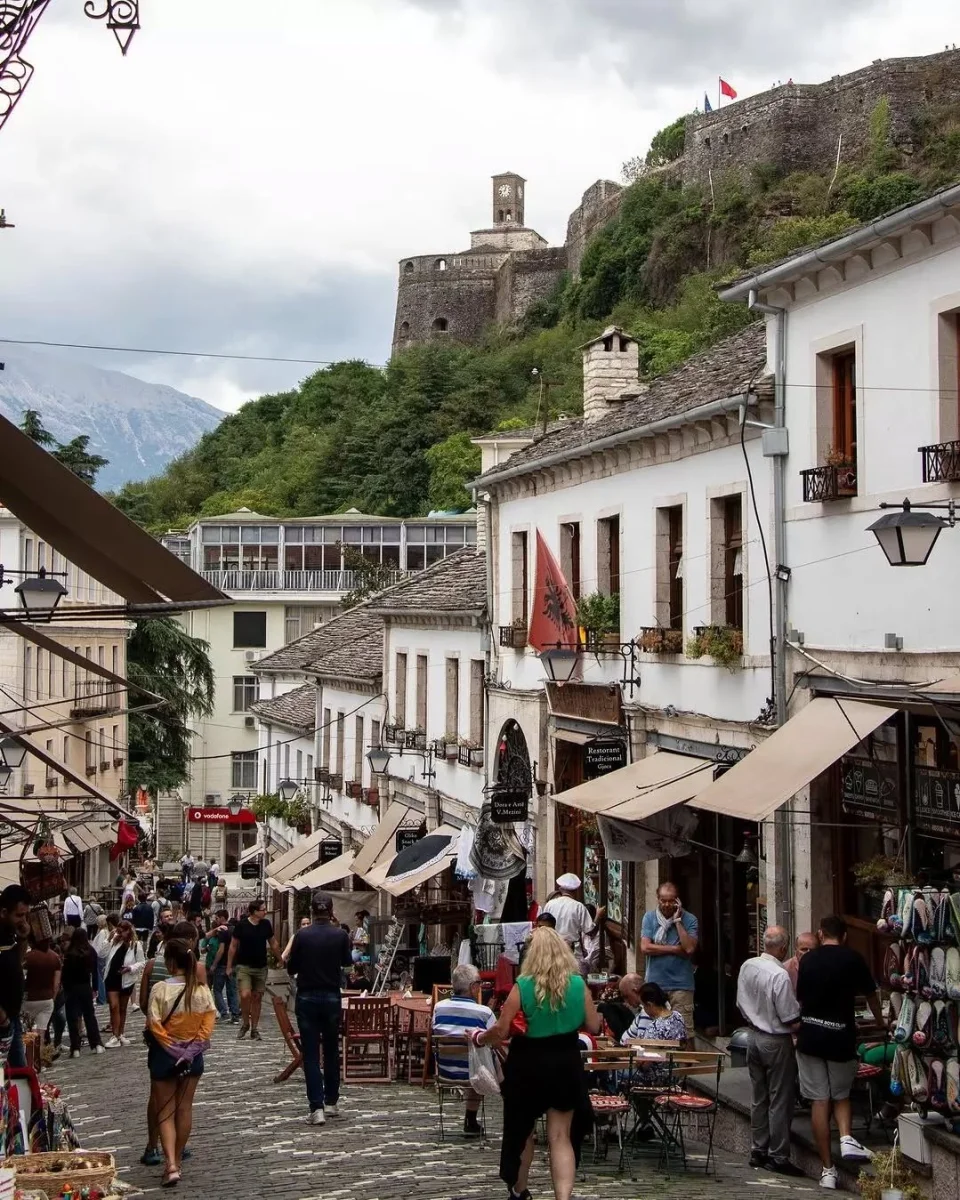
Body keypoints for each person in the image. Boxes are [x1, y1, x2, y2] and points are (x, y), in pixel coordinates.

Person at [474, 927, 602, 1200]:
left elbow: (502, 1030)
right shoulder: (579, 985)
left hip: (527, 1063)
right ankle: (563, 1198)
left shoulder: (523, 987)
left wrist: (479, 1037)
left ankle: (520, 1191)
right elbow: (594, 1025)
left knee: (524, 1133)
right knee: (560, 1136)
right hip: (565, 1062)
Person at [796, 915, 883, 1190]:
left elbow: (801, 997)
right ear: (844, 936)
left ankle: (827, 1170)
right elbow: (871, 994)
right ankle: (846, 1138)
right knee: (841, 1094)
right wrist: (880, 1021)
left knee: (819, 1101)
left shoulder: (807, 960)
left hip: (810, 1036)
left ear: (821, 935)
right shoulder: (852, 959)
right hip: (840, 1035)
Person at [146, 938, 215, 1186]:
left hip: (165, 1057)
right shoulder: (202, 990)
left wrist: (172, 1048)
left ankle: (171, 1165)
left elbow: (153, 1024)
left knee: (165, 1112)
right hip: (192, 1057)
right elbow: (208, 1026)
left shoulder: (161, 989)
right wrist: (190, 1049)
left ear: (171, 962)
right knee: (185, 1108)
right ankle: (177, 1160)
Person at [736, 926, 804, 1177]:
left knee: (760, 1095)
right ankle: (777, 1155)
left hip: (752, 1035)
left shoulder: (747, 965)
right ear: (784, 948)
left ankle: (758, 1149)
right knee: (780, 1098)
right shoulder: (779, 974)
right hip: (775, 1038)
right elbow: (789, 1017)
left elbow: (740, 1002)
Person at [287, 893, 352, 1124]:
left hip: (307, 997)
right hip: (332, 996)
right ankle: (332, 1101)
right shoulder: (341, 935)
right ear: (331, 910)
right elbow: (347, 962)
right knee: (332, 1050)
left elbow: (291, 966)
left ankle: (316, 1108)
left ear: (313, 911)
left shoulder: (302, 936)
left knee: (312, 1054)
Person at [432, 962, 495, 1137]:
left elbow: (434, 1031)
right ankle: (471, 1119)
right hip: (475, 1073)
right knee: (484, 1057)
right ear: (473, 987)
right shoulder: (485, 1012)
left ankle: (471, 1121)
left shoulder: (439, 1008)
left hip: (446, 1070)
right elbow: (494, 1039)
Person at [639, 881, 698, 1038]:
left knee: (685, 1034)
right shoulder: (650, 918)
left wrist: (678, 921)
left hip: (681, 986)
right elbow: (645, 948)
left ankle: (688, 1063)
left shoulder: (689, 919)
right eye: (663, 900)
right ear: (657, 899)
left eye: (671, 900)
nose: (666, 904)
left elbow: (689, 948)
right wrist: (675, 949)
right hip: (656, 984)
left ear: (678, 901)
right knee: (655, 1032)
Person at [227, 899, 281, 1041]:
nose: (265, 911)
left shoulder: (266, 925)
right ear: (255, 911)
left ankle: (254, 1028)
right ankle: (245, 1023)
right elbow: (233, 946)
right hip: (244, 966)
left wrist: (280, 959)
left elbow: (273, 942)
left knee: (257, 998)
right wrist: (229, 965)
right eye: (263, 909)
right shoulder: (241, 925)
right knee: (245, 995)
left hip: (261, 966)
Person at [61, 927, 105, 1058]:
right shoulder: (91, 951)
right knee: (89, 1015)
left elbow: (65, 974)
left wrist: (65, 987)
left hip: (71, 987)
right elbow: (95, 973)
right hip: (86, 986)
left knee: (72, 1017)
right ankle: (96, 1043)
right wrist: (95, 988)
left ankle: (75, 1048)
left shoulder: (69, 952)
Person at [0, 885, 31, 1067]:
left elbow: (16, 964)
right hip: (3, 1021)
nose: (23, 920)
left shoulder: (9, 933)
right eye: (19, 915)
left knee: (19, 1076)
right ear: (4, 912)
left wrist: (22, 938)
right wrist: (2, 1017)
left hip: (12, 1018)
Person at [104, 919, 145, 1047]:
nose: (120, 934)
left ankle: (121, 1033)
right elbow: (101, 953)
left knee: (122, 1008)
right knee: (113, 1006)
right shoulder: (114, 942)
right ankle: (115, 1035)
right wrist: (108, 940)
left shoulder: (136, 945)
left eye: (122, 932)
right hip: (112, 977)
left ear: (128, 931)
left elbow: (142, 962)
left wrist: (130, 968)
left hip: (126, 979)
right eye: (118, 931)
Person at [542, 874, 592, 955]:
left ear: (560, 889)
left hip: (552, 948)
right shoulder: (578, 906)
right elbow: (589, 930)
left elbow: (543, 926)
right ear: (576, 890)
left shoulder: (550, 904)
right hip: (572, 951)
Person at [23, 936, 61, 1043]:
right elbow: (56, 983)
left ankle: (29, 1056)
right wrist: (52, 998)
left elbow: (22, 978)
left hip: (29, 998)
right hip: (47, 999)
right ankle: (39, 1056)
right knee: (41, 1032)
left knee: (28, 1032)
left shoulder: (27, 957)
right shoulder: (55, 957)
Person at [208, 910, 239, 1023]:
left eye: (216, 918)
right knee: (232, 990)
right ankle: (235, 1013)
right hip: (234, 964)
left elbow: (221, 950)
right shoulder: (234, 929)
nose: (216, 920)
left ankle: (224, 1012)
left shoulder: (223, 931)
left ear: (221, 918)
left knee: (217, 990)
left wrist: (214, 964)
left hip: (222, 964)